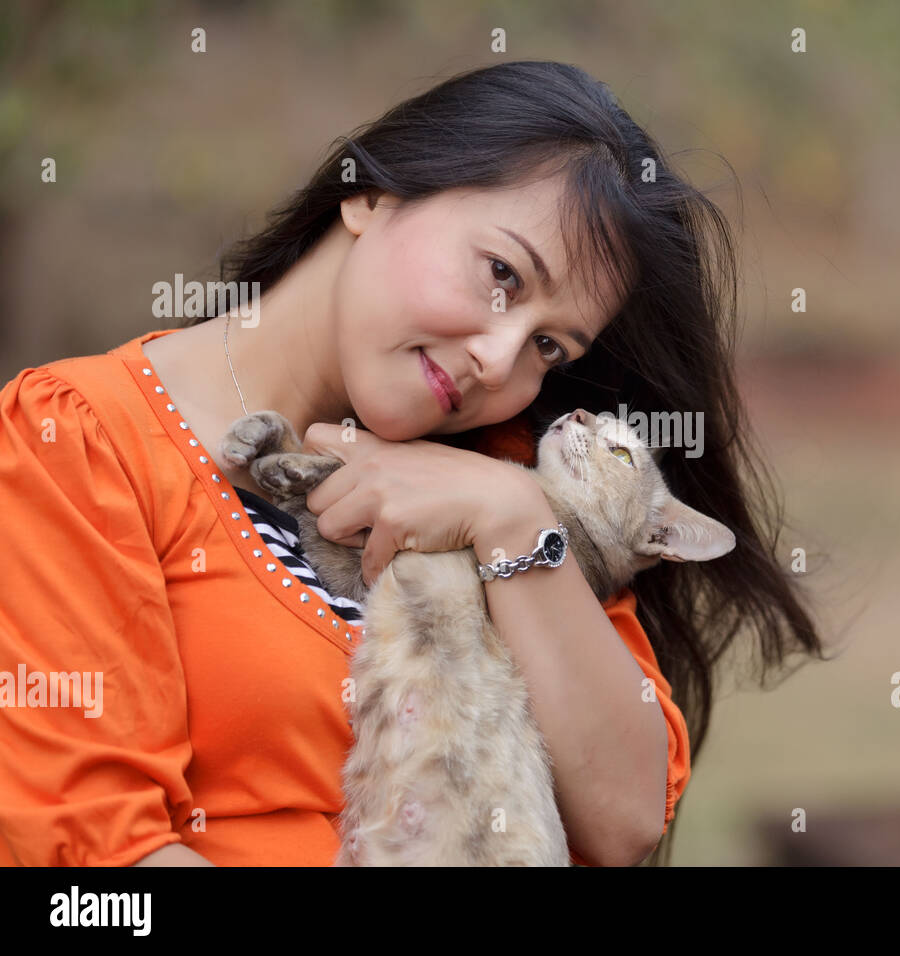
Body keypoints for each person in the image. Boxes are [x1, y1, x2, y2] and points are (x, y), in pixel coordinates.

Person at [0, 60, 823, 867]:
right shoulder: (82, 443)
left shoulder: (515, 479)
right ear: (371, 195)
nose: (501, 363)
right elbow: (96, 857)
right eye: (502, 274)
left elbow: (624, 817)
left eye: (548, 345)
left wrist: (510, 517)